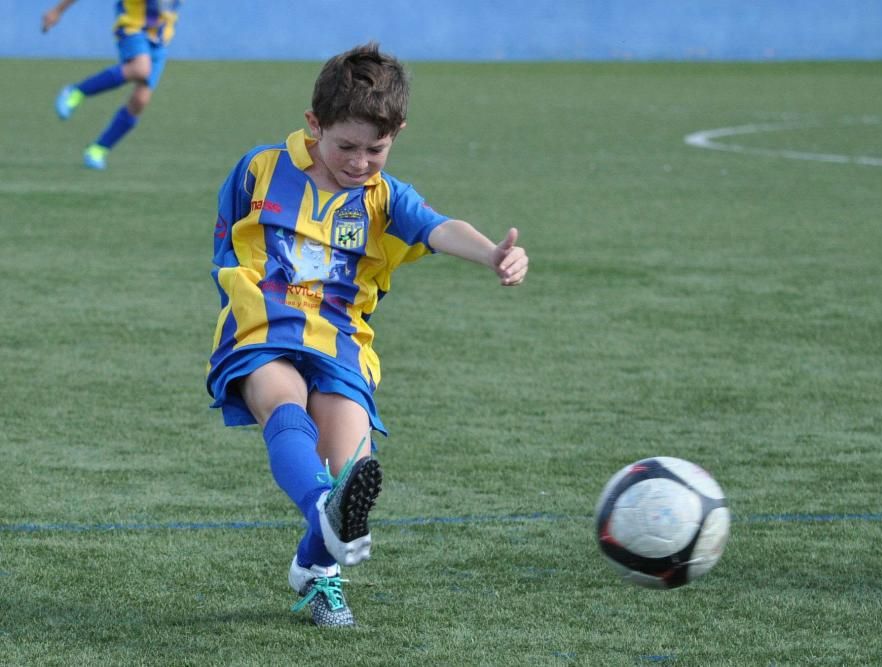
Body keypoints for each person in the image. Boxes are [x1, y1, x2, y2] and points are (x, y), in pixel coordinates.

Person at [206, 42, 529, 628]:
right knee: (283, 402)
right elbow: (227, 237)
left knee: (354, 470)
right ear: (314, 125)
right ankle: (323, 527)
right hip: (262, 330)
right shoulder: (260, 168)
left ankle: (315, 564)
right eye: (345, 146)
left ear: (397, 133)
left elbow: (437, 228)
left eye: (375, 150)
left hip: (341, 344)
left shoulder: (384, 200)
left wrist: (491, 254)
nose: (359, 162)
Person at [42, 0, 181, 170]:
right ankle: (76, 92)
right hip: (132, 28)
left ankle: (98, 149)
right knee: (140, 68)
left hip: (159, 41)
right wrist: (57, 10)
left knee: (140, 101)